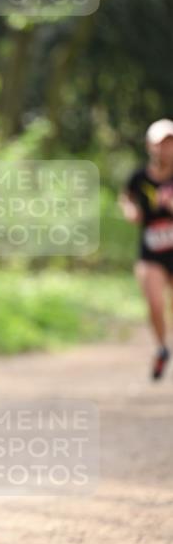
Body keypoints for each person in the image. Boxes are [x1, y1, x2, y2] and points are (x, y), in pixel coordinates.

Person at [119, 118, 173, 380]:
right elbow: (126, 197)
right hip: (151, 253)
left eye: (170, 144)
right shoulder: (139, 177)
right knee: (155, 303)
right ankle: (162, 348)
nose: (165, 149)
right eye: (160, 144)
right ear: (150, 146)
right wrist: (130, 210)